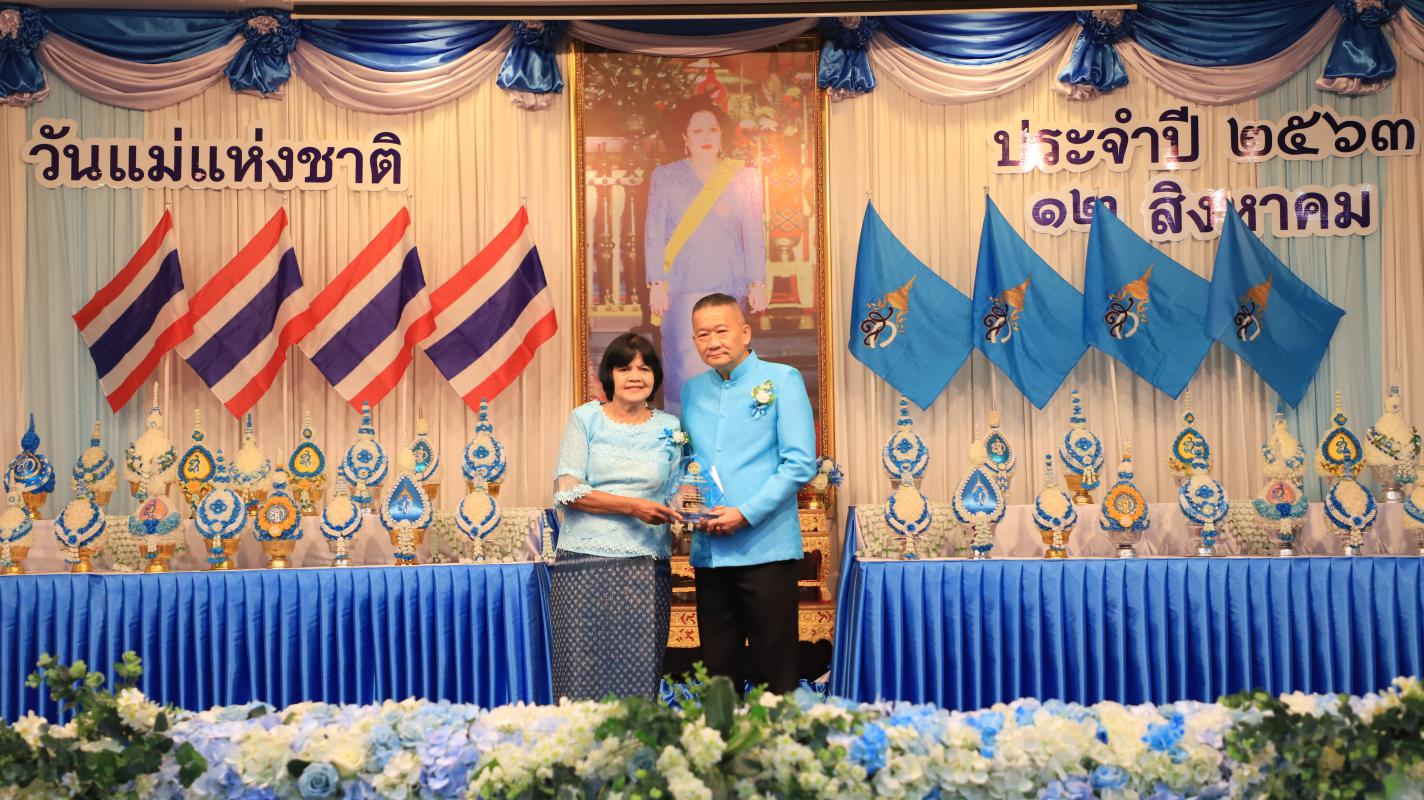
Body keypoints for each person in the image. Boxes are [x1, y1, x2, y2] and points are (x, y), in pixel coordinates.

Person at [679, 293, 815, 693]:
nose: (713, 342)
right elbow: (690, 463)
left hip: (766, 548)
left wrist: (745, 513)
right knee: (718, 673)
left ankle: (779, 736)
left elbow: (799, 464)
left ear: (745, 332)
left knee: (776, 672)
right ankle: (721, 735)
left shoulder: (782, 379)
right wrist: (689, 502)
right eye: (703, 334)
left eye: (721, 331)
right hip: (710, 551)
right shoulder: (692, 390)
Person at [550, 333, 684, 700]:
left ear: (656, 376)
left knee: (639, 674)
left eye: (644, 368)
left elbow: (678, 489)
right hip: (583, 563)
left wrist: (690, 505)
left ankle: (636, 739)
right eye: (625, 368)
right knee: (580, 674)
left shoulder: (670, 427)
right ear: (610, 375)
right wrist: (633, 506)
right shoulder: (585, 418)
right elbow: (568, 490)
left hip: (646, 564)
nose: (635, 376)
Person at [645, 95, 768, 416]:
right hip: (680, 285)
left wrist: (757, 281)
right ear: (684, 137)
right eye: (697, 131)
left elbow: (754, 231)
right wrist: (656, 281)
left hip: (729, 283)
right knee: (683, 363)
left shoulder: (744, 177)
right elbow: (654, 230)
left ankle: (729, 429)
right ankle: (682, 434)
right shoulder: (666, 176)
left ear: (722, 133)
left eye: (712, 129)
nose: (706, 137)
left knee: (727, 360)